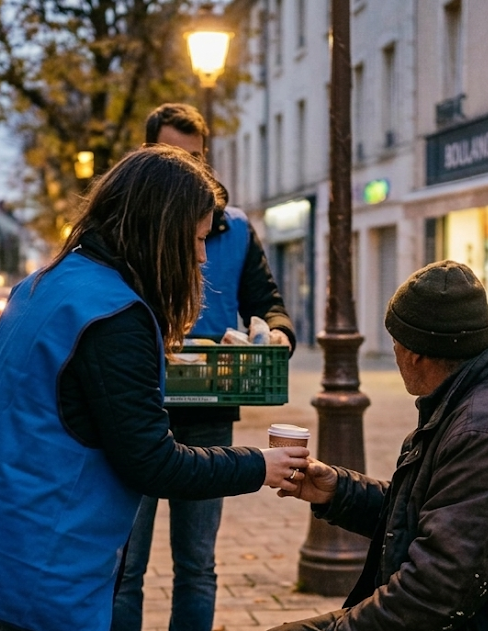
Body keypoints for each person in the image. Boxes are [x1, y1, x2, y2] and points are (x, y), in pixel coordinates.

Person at [0, 145, 311, 631]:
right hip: (36, 557)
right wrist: (259, 465)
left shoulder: (49, 282)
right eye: (197, 238)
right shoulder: (115, 317)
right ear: (160, 232)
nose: (203, 256)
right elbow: (151, 462)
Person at [271, 261, 488, 631]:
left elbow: (431, 596)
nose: (395, 353)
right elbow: (428, 516)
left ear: (415, 353)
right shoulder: (479, 399)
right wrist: (337, 491)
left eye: (395, 343)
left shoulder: (483, 436)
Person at [113, 103, 295, 631]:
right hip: (141, 406)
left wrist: (277, 332)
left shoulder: (235, 228)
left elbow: (267, 300)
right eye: (173, 155)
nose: (187, 168)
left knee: (198, 565)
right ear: (149, 156)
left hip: (211, 403)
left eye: (195, 157)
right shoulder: (132, 228)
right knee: (125, 567)